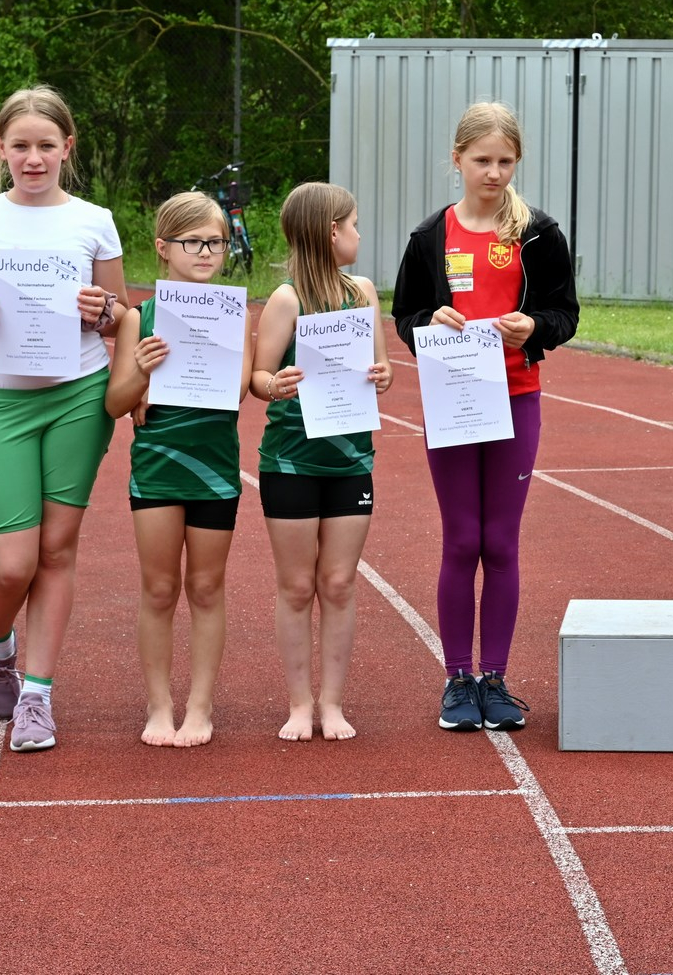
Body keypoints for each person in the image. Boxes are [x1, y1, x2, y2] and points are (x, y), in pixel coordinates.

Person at [0, 87, 126, 753]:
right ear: (1, 148)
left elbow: (120, 315)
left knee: (57, 550)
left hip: (78, 394)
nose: (34, 157)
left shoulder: (95, 220)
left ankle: (38, 696)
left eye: (46, 145)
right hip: (5, 402)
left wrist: (102, 311)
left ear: (67, 148)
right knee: (14, 563)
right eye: (20, 145)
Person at [393, 102, 579, 733]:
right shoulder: (429, 237)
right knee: (461, 540)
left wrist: (535, 328)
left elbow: (564, 314)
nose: (493, 173)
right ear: (458, 161)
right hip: (453, 401)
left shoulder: (538, 234)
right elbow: (405, 315)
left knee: (499, 542)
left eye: (504, 161)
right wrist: (428, 321)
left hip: (516, 398)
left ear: (517, 161)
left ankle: (494, 678)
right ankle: (457, 680)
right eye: (481, 161)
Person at [104, 192, 253, 747]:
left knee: (207, 586)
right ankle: (159, 705)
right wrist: (143, 372)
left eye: (216, 242)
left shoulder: (236, 314)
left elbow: (238, 389)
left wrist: (207, 352)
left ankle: (200, 706)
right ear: (163, 248)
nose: (206, 252)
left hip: (215, 467)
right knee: (160, 588)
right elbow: (115, 403)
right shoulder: (138, 318)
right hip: (158, 467)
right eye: (193, 242)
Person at [251, 182, 392, 740]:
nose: (359, 233)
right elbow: (259, 377)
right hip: (291, 462)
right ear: (332, 231)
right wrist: (276, 383)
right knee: (295, 587)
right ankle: (299, 704)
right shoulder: (287, 300)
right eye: (354, 224)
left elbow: (381, 368)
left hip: (351, 461)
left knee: (338, 582)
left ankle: (332, 703)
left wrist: (383, 374)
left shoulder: (363, 293)